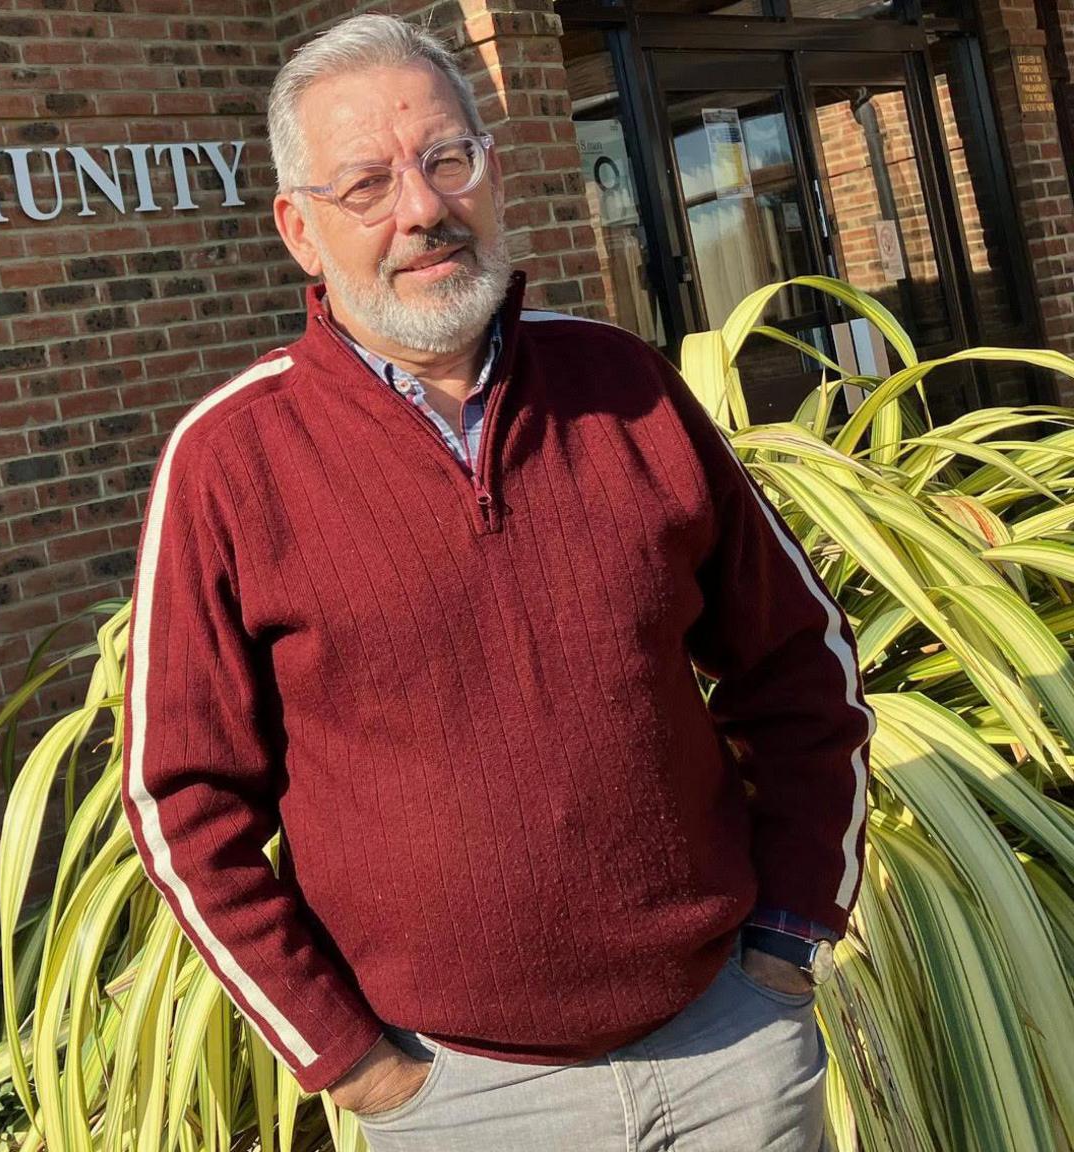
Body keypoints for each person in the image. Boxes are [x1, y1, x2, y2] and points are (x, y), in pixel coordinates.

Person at [119, 13, 874, 1151]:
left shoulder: (623, 389)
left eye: (443, 160)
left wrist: (785, 939)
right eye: (364, 184)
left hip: (729, 1047)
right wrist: (356, 1065)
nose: (420, 209)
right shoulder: (231, 463)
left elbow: (799, 668)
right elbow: (181, 801)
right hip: (458, 1097)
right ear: (298, 229)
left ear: (491, 170)